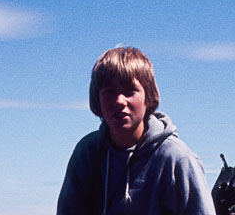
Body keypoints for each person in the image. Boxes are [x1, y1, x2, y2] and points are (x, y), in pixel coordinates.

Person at [56, 46, 216, 215]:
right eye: (110, 92)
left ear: (148, 96)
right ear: (97, 98)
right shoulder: (87, 153)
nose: (119, 101)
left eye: (129, 91)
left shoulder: (177, 159)